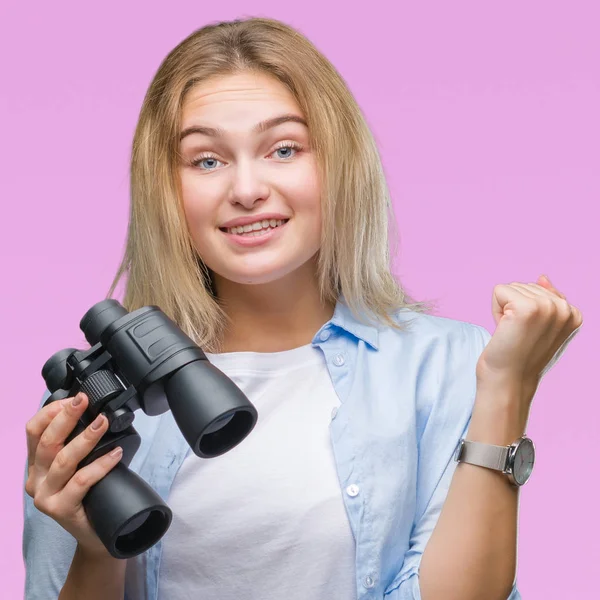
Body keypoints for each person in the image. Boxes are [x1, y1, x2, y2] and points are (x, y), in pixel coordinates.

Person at [22, 16, 582, 600]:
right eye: (207, 161)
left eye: (283, 149)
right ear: (166, 187)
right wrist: (95, 549)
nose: (246, 189)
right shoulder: (96, 404)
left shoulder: (450, 363)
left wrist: (507, 387)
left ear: (336, 163)